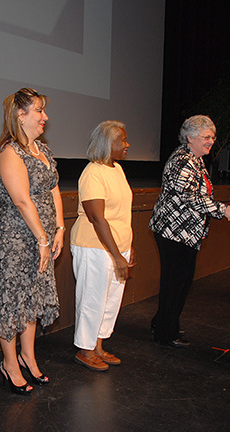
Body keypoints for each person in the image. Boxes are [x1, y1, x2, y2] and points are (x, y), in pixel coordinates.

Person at [0, 88, 63, 394]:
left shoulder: (41, 150)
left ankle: (29, 357)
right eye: (39, 111)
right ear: (21, 116)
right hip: (16, 240)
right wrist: (42, 239)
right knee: (12, 301)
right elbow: (21, 200)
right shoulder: (9, 152)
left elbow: (53, 188)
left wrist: (58, 228)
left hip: (42, 237)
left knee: (33, 299)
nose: (45, 117)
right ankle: (10, 364)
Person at [149, 115, 230, 349]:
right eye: (206, 137)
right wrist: (225, 210)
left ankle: (163, 322)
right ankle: (164, 332)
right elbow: (191, 198)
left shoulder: (196, 159)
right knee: (175, 281)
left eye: (213, 137)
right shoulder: (182, 160)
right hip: (173, 231)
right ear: (190, 137)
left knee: (182, 280)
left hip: (186, 233)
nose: (211, 141)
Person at [70, 120, 134, 371]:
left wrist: (128, 247)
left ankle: (98, 345)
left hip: (118, 245)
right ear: (107, 143)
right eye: (122, 140)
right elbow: (97, 218)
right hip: (95, 247)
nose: (127, 144)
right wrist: (117, 255)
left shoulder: (117, 169)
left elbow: (122, 214)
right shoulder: (92, 172)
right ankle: (85, 350)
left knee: (110, 300)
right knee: (93, 299)